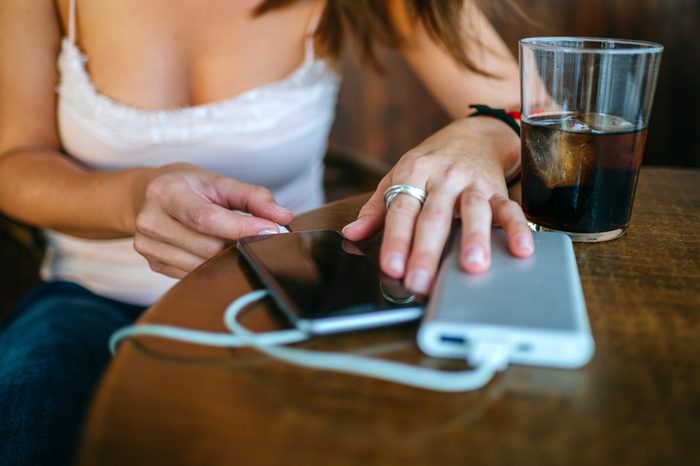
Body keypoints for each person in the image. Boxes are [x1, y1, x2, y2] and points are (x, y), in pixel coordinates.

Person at [0, 0, 533, 464]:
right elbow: (14, 159)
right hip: (88, 302)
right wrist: (130, 197)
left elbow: (535, 113)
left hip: (296, 301)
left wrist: (481, 135)